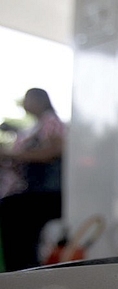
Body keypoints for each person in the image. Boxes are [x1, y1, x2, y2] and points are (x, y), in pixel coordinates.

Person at [0, 88, 65, 271]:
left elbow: (52, 152)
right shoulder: (35, 126)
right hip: (31, 191)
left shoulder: (50, 122)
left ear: (39, 100)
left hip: (45, 192)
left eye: (28, 98)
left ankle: (21, 270)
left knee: (11, 211)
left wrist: (14, 154)